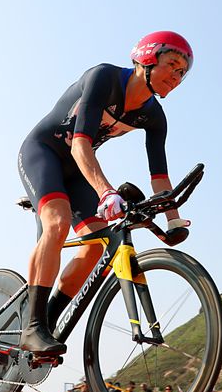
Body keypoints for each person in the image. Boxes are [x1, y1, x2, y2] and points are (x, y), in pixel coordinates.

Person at [16, 31, 194, 354]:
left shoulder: (154, 117)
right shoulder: (105, 78)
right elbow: (80, 145)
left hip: (76, 171)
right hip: (45, 152)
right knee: (57, 222)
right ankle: (32, 327)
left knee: (97, 247)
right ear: (147, 58)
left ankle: (47, 322)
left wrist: (173, 221)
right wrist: (106, 191)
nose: (177, 76)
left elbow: (160, 177)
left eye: (183, 72)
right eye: (172, 65)